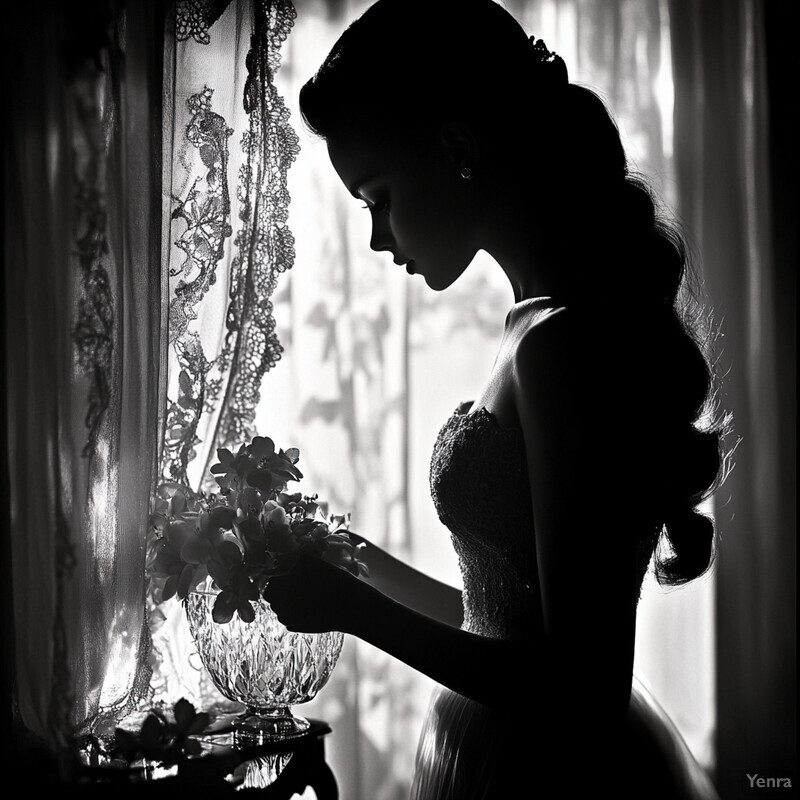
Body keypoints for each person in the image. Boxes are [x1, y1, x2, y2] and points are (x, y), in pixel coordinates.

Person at [263, 1, 727, 796]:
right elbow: (501, 621)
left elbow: (579, 689)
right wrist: (354, 563)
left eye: (377, 196)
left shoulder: (562, 347)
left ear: (457, 148)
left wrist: (355, 610)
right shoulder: (536, 323)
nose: (377, 238)